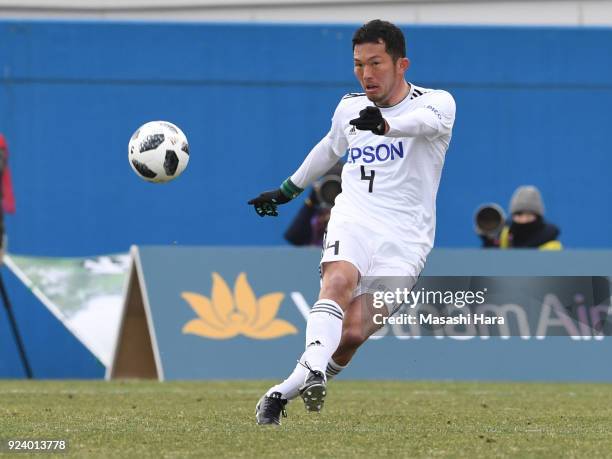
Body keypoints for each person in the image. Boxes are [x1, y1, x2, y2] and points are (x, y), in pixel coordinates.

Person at [248, 19, 456, 425]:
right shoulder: (349, 107)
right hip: (355, 218)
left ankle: (282, 390)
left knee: (353, 335)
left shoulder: (437, 103)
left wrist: (385, 124)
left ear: (402, 64)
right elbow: (330, 146)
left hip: (407, 240)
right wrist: (287, 190)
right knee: (338, 281)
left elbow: (424, 125)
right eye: (359, 64)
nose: (366, 74)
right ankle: (295, 385)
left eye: (376, 63)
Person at [477, 185, 562, 250]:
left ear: (538, 217)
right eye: (519, 215)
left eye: (529, 215)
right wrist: (488, 240)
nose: (524, 219)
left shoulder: (552, 246)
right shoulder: (505, 237)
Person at [284, 162, 343, 247]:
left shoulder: (351, 213)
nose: (332, 193)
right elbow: (293, 238)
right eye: (328, 187)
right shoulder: (316, 216)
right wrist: (311, 200)